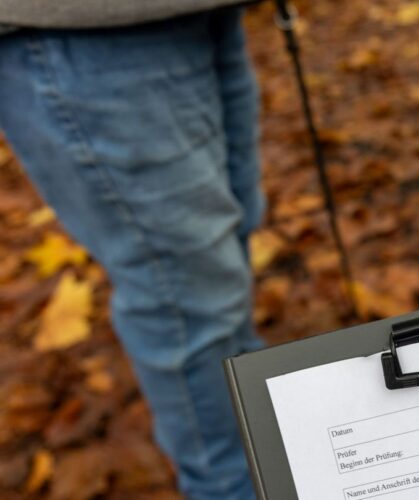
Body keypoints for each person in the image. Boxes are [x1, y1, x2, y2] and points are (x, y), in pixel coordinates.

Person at [0, 3, 265, 498]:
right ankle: (230, 482)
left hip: (203, 12)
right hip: (79, 29)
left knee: (232, 243)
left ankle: (257, 426)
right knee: (185, 295)